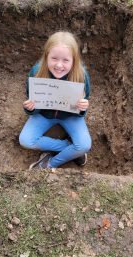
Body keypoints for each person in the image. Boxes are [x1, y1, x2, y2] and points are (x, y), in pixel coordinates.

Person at [19, 31, 91, 169]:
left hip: (70, 116)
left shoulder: (81, 75)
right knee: (26, 140)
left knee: (84, 145)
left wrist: (82, 108)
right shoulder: (36, 72)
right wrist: (30, 108)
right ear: (46, 56)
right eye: (54, 58)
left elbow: (84, 102)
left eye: (65, 60)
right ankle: (70, 149)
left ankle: (49, 163)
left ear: (74, 60)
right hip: (44, 114)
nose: (59, 65)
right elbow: (32, 99)